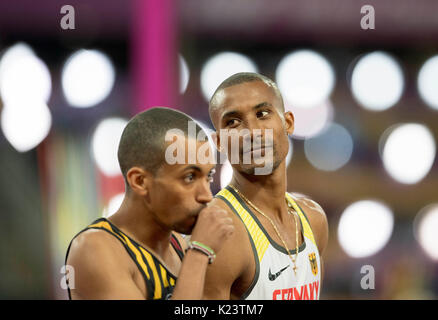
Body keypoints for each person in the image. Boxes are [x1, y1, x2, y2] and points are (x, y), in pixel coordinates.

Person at [65, 107, 234, 300]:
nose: (207, 196)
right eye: (189, 177)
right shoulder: (94, 249)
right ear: (140, 181)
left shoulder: (178, 244)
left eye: (208, 177)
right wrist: (200, 253)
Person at [203, 72, 329, 300]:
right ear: (220, 142)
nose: (252, 132)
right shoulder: (218, 233)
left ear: (288, 123)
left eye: (262, 114)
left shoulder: (314, 220)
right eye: (233, 122)